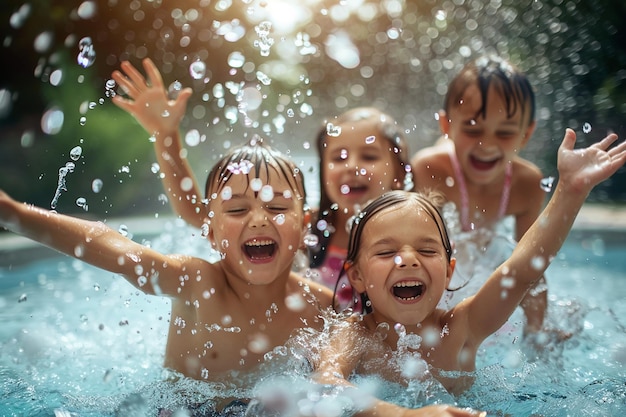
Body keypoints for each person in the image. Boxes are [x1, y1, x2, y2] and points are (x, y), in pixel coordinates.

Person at [313, 129, 626, 397]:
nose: (408, 260)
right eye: (385, 253)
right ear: (356, 276)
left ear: (449, 271)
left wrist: (569, 192)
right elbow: (325, 384)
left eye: (427, 250)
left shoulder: (461, 328)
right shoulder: (354, 335)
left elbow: (519, 272)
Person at [111, 59, 411, 310]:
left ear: (399, 174)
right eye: (339, 158)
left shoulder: (413, 237)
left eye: (369, 156)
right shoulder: (303, 227)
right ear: (323, 168)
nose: (352, 166)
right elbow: (198, 213)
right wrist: (166, 135)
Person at [410, 55, 547, 335]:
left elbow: (532, 264)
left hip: (486, 247)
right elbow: (413, 246)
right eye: (472, 129)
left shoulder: (527, 183)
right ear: (446, 125)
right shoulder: (430, 169)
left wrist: (537, 334)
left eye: (506, 132)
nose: (487, 145)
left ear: (526, 133)